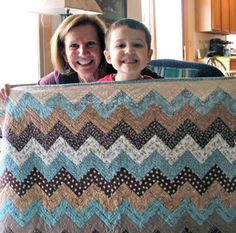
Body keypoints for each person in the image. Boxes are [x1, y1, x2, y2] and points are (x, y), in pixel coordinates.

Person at [0, 15, 160, 100]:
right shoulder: (54, 82)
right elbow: (30, 114)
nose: (83, 53)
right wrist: (9, 99)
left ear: (104, 49)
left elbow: (171, 91)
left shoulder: (125, 68)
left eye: (90, 44)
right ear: (63, 53)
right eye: (74, 46)